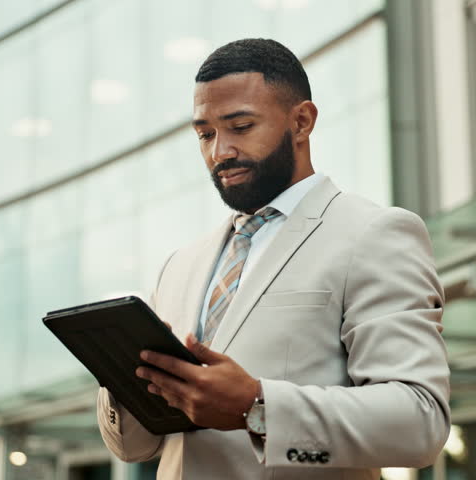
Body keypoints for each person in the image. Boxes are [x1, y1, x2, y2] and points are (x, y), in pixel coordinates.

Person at [96, 38, 449, 480]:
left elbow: (419, 422)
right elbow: (135, 448)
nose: (218, 152)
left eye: (240, 127)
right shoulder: (179, 267)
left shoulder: (373, 234)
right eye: (205, 134)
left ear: (301, 121)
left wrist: (256, 407)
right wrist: (123, 378)